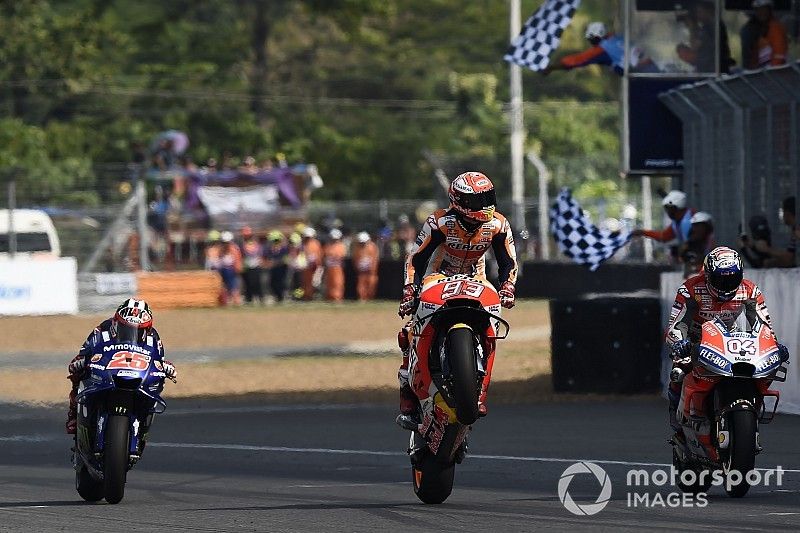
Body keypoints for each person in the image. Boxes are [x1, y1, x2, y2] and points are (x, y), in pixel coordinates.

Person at [396, 172, 518, 424]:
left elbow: (509, 261)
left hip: (477, 278)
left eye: (488, 197)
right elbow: (415, 259)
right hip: (436, 278)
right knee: (411, 328)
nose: (486, 205)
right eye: (478, 200)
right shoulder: (438, 223)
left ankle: (480, 392)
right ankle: (408, 388)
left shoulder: (498, 224)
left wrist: (507, 287)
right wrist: (410, 290)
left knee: (491, 325)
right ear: (459, 201)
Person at [664, 247, 789, 441]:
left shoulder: (749, 290)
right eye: (720, 279)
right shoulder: (690, 289)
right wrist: (679, 342)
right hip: (696, 341)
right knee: (678, 370)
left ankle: (748, 410)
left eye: (732, 279)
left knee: (759, 369)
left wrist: (774, 345)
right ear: (707, 275)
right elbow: (677, 323)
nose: (726, 284)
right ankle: (676, 414)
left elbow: (765, 325)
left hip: (731, 339)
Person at [66, 299, 177, 434]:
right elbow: (84, 352)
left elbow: (159, 359)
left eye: (138, 331)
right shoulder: (101, 330)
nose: (131, 334)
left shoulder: (153, 337)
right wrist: (81, 361)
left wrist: (166, 367)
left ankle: (143, 422)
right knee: (79, 373)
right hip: (107, 372)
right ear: (116, 323)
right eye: (125, 328)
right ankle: (73, 414)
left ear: (146, 330)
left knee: (158, 382)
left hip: (136, 374)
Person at [543, 22, 656, 76]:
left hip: (639, 75)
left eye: (591, 39)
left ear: (597, 36)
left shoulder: (602, 49)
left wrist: (552, 67)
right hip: (652, 66)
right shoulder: (619, 38)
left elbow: (577, 60)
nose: (591, 43)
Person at [632, 190, 695, 259]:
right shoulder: (678, 222)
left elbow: (694, 243)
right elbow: (664, 236)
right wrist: (643, 232)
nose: (668, 212)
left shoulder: (687, 221)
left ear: (677, 207)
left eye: (669, 209)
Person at [676, 0, 734, 74]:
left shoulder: (711, 26)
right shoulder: (713, 25)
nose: (698, 15)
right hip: (712, 70)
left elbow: (694, 46)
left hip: (711, 72)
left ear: (709, 11)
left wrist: (692, 27)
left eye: (700, 12)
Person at [740, 0, 788, 69]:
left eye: (764, 9)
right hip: (759, 71)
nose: (761, 12)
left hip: (773, 73)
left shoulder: (775, 28)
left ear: (769, 10)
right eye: (758, 9)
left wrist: (773, 71)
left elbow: (779, 55)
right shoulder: (754, 29)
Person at [680, 211, 715, 276]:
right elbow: (682, 258)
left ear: (707, 227)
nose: (696, 229)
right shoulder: (690, 243)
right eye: (694, 226)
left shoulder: (712, 241)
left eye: (699, 226)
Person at [352, 231, 380, 302]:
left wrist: (372, 267)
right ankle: (362, 298)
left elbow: (375, 259)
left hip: (371, 271)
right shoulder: (357, 248)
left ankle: (370, 298)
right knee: (361, 285)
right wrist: (358, 266)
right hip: (361, 271)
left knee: (371, 284)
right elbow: (355, 258)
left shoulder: (372, 247)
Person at [240, 226, 264, 305]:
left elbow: (254, 251)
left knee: (256, 283)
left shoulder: (255, 242)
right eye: (244, 235)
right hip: (246, 266)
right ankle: (248, 299)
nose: (246, 236)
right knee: (247, 284)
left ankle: (260, 298)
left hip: (255, 265)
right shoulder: (241, 243)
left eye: (247, 235)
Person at [264, 230, 290, 303]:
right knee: (272, 283)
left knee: (281, 283)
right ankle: (276, 297)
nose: (275, 243)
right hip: (273, 270)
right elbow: (267, 258)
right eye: (274, 241)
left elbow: (285, 259)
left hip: (282, 270)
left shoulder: (284, 249)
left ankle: (281, 298)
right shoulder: (270, 250)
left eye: (277, 241)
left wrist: (275, 262)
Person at [218, 231, 242, 305]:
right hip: (223, 269)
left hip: (231, 270)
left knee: (234, 286)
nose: (225, 244)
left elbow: (237, 260)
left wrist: (237, 269)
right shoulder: (221, 249)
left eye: (226, 242)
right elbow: (220, 259)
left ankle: (237, 301)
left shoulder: (234, 249)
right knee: (224, 287)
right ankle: (226, 301)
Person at [323, 229, 347, 302]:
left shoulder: (341, 246)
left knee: (337, 283)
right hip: (329, 268)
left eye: (336, 238)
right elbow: (324, 256)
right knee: (329, 283)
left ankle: (337, 298)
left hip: (337, 268)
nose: (334, 240)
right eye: (333, 238)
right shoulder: (327, 246)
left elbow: (342, 257)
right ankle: (329, 297)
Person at [301, 227, 323, 300]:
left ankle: (316, 296)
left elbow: (318, 256)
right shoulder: (303, 244)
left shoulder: (315, 244)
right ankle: (307, 296)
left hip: (315, 267)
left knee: (316, 283)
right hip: (306, 267)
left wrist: (316, 264)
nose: (308, 238)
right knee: (306, 283)